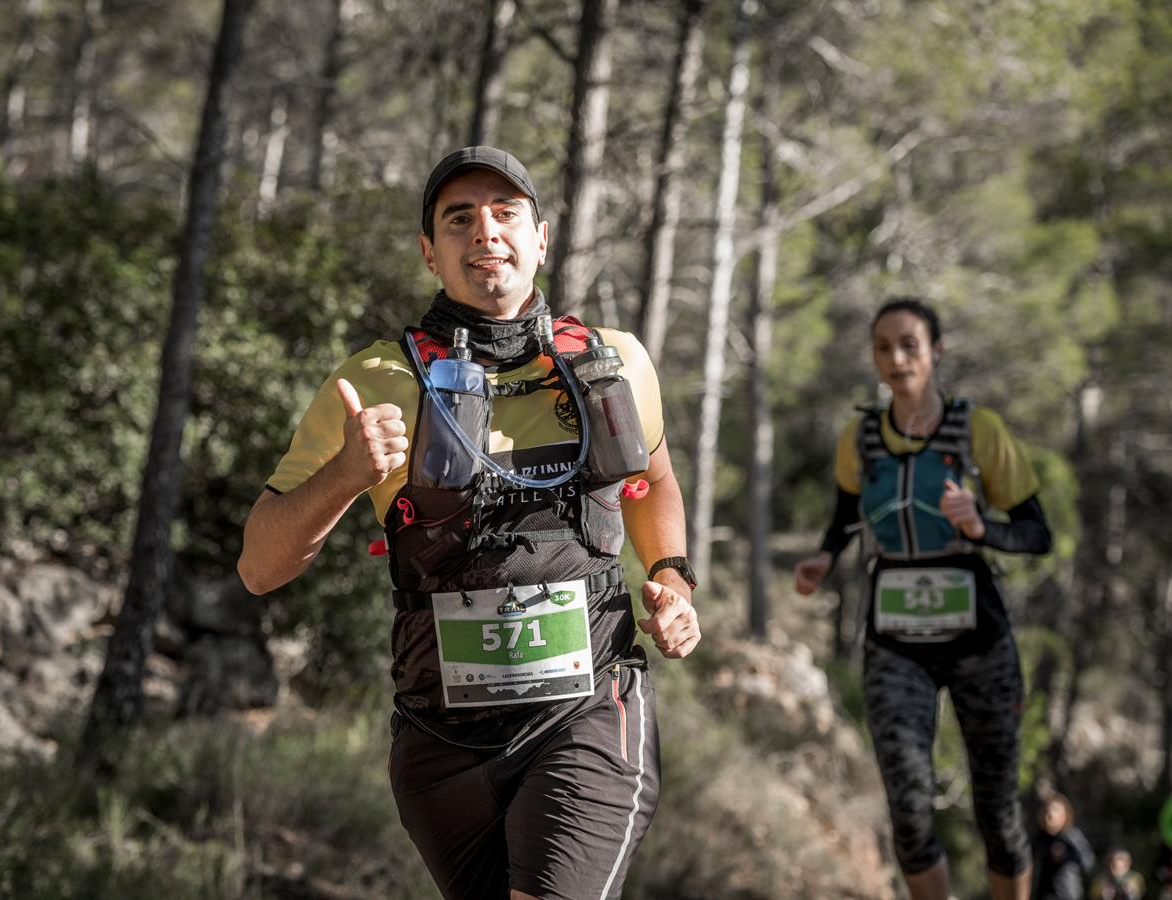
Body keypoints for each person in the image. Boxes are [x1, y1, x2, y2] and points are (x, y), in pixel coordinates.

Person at [238, 146, 700, 900]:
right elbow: (261, 566)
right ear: (430, 252)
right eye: (460, 218)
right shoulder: (373, 382)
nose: (485, 231)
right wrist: (346, 475)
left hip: (590, 713)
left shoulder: (617, 363)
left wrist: (672, 579)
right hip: (442, 742)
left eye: (505, 212)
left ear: (541, 238)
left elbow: (655, 484)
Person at [793, 298, 1054, 900]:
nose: (897, 357)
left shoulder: (978, 430)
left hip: (978, 642)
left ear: (936, 351)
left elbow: (1038, 534)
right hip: (895, 644)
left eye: (910, 344)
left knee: (997, 809)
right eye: (884, 346)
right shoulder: (859, 437)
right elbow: (843, 519)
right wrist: (824, 559)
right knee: (908, 808)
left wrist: (983, 527)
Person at [1032, 793, 1094, 900]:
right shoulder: (1040, 838)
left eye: (1053, 815)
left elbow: (1088, 862)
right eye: (1046, 814)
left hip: (1068, 895)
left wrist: (1066, 856)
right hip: (1043, 895)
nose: (1048, 819)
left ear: (1065, 816)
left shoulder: (1072, 836)